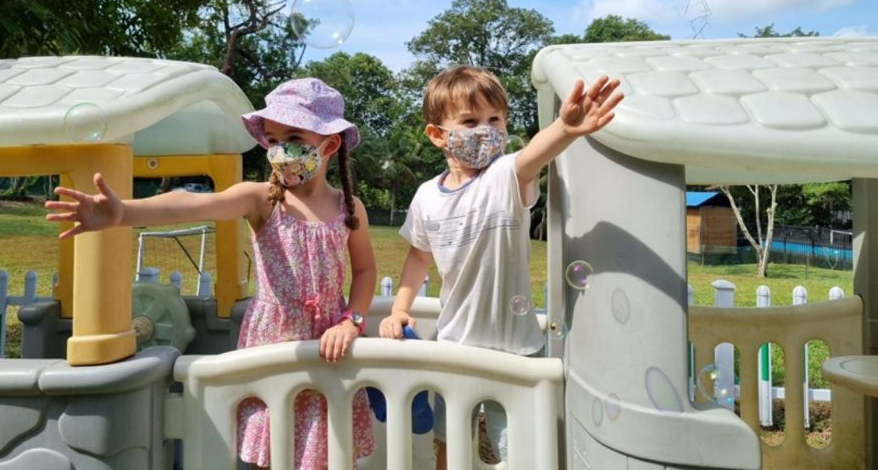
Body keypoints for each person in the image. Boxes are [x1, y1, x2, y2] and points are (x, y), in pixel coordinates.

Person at [45, 78, 377, 470]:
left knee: (329, 448)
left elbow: (366, 270)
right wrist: (126, 214)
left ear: (330, 143)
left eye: (293, 135)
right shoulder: (261, 199)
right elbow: (192, 204)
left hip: (329, 345)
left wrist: (351, 321)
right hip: (273, 343)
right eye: (272, 139)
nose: (280, 149)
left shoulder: (348, 206)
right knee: (274, 447)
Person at [378, 65, 623, 468]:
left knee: (515, 453)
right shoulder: (426, 197)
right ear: (438, 134)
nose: (486, 130)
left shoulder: (506, 176)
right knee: (449, 445)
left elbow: (532, 155)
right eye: (470, 121)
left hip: (516, 352)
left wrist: (565, 129)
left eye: (495, 120)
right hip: (455, 347)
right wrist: (400, 308)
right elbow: (418, 256)